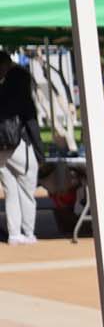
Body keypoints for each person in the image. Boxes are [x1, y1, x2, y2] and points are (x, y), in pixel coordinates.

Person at [0, 48, 43, 244]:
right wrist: (40, 152)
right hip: (20, 145)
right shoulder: (21, 90)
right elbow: (31, 123)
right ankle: (29, 232)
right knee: (27, 188)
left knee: (10, 191)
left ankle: (14, 233)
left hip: (1, 148)